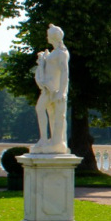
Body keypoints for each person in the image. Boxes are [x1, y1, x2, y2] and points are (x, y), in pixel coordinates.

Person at [32, 23, 69, 154]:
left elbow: (65, 72)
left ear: (53, 37)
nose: (47, 38)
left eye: (48, 35)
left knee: (51, 113)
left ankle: (54, 142)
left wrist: (62, 91)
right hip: (48, 88)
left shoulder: (61, 53)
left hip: (54, 89)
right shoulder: (54, 53)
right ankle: (48, 140)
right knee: (49, 112)